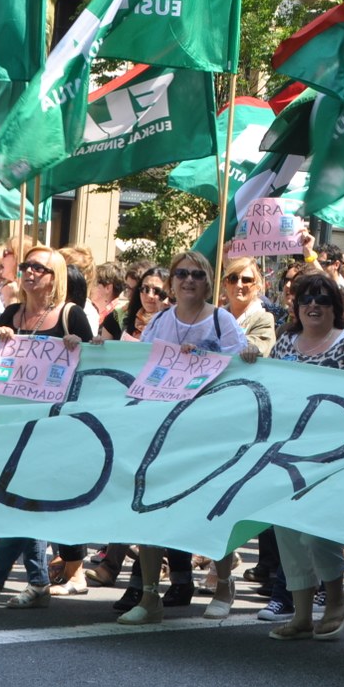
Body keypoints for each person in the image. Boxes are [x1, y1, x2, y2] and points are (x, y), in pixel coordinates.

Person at [119, 250, 248, 626]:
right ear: (172, 282)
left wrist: (211, 357)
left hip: (208, 431)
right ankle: (149, 596)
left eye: (197, 274)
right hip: (161, 429)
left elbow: (243, 367)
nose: (189, 280)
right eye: (181, 274)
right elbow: (139, 365)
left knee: (212, 508)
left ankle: (223, 585)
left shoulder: (222, 320)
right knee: (148, 507)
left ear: (208, 282)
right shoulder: (159, 321)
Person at [0, 246, 94, 610]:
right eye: (26, 266)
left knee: (24, 499)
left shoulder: (70, 315)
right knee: (24, 502)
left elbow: (99, 362)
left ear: (56, 277)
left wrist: (82, 346)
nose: (30, 272)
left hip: (54, 428)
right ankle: (37, 583)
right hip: (12, 424)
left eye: (39, 267)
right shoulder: (12, 312)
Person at [240, 271, 344, 641]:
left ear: (335, 307)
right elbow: (271, 388)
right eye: (306, 298)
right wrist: (251, 360)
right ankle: (301, 615)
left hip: (332, 455)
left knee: (317, 532)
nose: (314, 305)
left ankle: (337, 601)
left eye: (322, 298)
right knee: (288, 533)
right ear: (296, 306)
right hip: (287, 451)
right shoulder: (285, 342)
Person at [222, 256, 277, 354]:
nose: (239, 285)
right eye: (233, 278)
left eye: (246, 280)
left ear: (257, 286)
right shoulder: (215, 316)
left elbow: (256, 347)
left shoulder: (263, 319)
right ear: (225, 284)